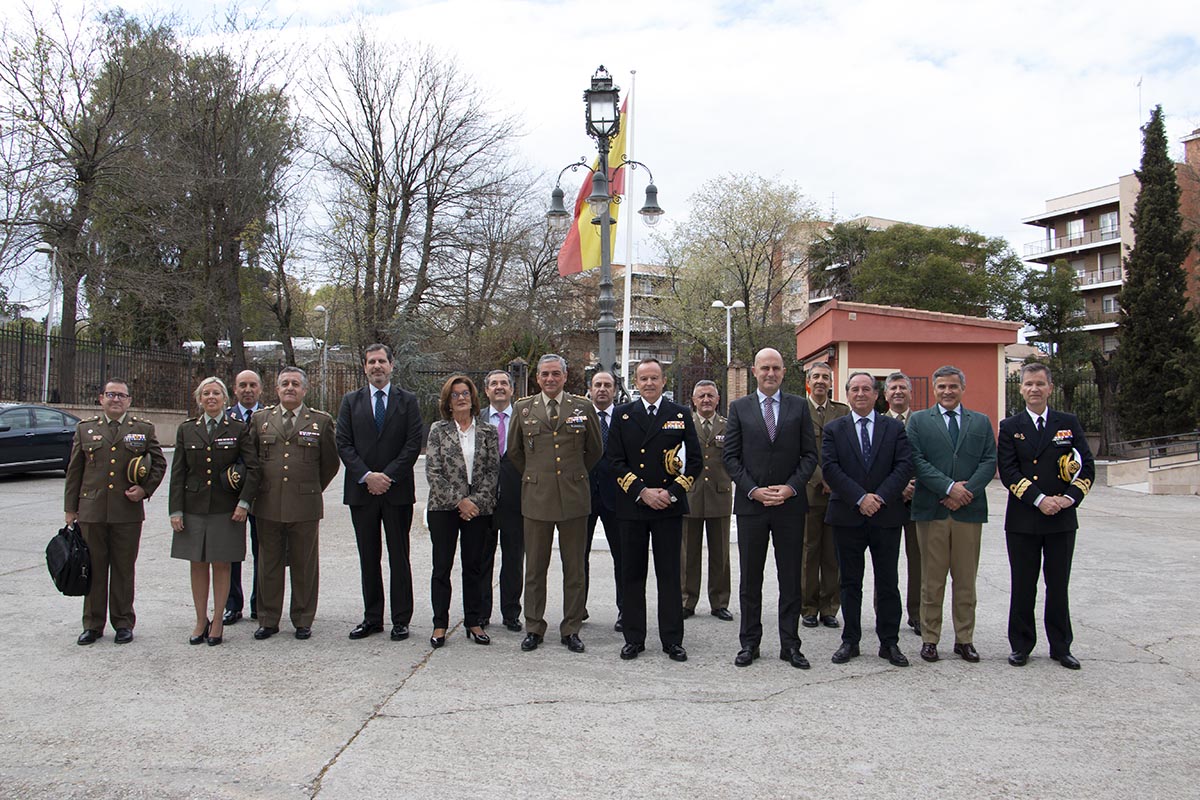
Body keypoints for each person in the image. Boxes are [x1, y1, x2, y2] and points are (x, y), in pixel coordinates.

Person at [723, 348, 818, 669]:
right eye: (765, 368)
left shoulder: (799, 407)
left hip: (789, 506)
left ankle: (790, 645)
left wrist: (791, 487)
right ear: (754, 371)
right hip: (753, 507)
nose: (770, 373)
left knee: (791, 577)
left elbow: (809, 456)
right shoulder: (739, 408)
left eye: (776, 368)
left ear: (783, 372)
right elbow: (730, 458)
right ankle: (750, 643)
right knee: (751, 578)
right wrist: (753, 490)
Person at [998, 363, 1095, 670]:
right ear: (1021, 389)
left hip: (1061, 519)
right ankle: (1021, 645)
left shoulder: (1068, 423)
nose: (1034, 389)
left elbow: (1086, 465)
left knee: (1058, 585)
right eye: (1028, 384)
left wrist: (1069, 498)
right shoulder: (1010, 426)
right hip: (1024, 519)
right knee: (1023, 584)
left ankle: (1061, 646)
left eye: (1040, 383)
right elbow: (1008, 471)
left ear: (1050, 388)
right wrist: (1039, 500)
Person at [506, 354, 603, 653]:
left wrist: (572, 476)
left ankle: (571, 628)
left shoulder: (583, 407)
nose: (550, 379)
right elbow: (515, 452)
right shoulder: (523, 409)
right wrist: (538, 477)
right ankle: (534, 627)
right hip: (537, 498)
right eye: (545, 374)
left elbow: (595, 450)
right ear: (537, 378)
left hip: (574, 498)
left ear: (565, 376)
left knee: (574, 568)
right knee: (535, 568)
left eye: (555, 374)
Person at [607, 358, 702, 662]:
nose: (649, 383)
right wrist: (642, 492)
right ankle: (634, 638)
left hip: (667, 507)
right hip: (634, 506)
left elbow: (695, 462)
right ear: (635, 383)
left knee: (669, 575)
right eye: (643, 378)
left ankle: (672, 639)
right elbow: (615, 461)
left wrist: (672, 493)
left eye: (654, 378)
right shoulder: (622, 415)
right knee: (633, 575)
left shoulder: (680, 414)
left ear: (664, 381)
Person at [906, 365, 996, 664]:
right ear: (934, 389)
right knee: (931, 580)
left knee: (966, 579)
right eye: (942, 387)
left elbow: (988, 460)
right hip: (932, 510)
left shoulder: (981, 422)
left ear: (962, 388)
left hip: (968, 511)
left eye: (953, 386)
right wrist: (947, 488)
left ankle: (964, 639)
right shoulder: (918, 421)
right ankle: (930, 638)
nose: (947, 391)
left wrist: (964, 491)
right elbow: (915, 459)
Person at [821, 372, 913, 667]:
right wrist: (861, 498)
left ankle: (890, 643)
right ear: (847, 394)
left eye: (866, 389)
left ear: (877, 394)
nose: (860, 393)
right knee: (849, 582)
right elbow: (831, 468)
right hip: (848, 514)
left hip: (885, 515)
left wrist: (879, 498)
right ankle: (850, 640)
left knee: (888, 581)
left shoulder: (893, 428)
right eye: (854, 389)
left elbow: (903, 466)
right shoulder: (834, 429)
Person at [65, 378, 166, 645]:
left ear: (129, 401)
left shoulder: (142, 429)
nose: (116, 399)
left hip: (127, 512)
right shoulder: (86, 430)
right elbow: (74, 472)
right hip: (92, 511)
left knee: (123, 569)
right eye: (111, 394)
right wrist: (70, 509)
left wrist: (145, 490)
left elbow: (158, 463)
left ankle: (123, 622)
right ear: (101, 399)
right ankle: (93, 624)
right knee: (94, 569)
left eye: (122, 395)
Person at [336, 344, 423, 642]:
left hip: (396, 492)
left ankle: (401, 619)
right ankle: (372, 618)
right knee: (368, 557)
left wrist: (387, 476)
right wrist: (366, 476)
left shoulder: (408, 401)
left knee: (399, 557)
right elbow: (343, 443)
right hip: (361, 492)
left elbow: (413, 444)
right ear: (364, 367)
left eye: (382, 361)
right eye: (371, 362)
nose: (377, 366)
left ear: (391, 365)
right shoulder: (350, 401)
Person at [248, 367, 339, 641]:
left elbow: (330, 463)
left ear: (304, 390)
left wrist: (310, 489)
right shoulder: (260, 419)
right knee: (268, 564)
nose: (290, 387)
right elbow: (252, 461)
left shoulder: (320, 422)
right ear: (276, 390)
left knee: (304, 564)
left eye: (295, 384)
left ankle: (302, 619)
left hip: (305, 505)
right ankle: (268, 619)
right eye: (284, 383)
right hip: (268, 502)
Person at [169, 377, 258, 646]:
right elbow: (177, 473)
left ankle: (218, 619)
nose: (211, 397)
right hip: (194, 508)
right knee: (197, 564)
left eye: (216, 393)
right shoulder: (187, 430)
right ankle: (200, 619)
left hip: (226, 509)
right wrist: (176, 510)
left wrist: (244, 503)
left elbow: (254, 469)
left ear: (224, 399)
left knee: (222, 565)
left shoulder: (238, 428)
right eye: (206, 393)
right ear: (199, 399)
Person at [424, 376, 499, 648]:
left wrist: (474, 502)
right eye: (455, 395)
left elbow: (493, 471)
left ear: (473, 397)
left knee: (475, 567)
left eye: (465, 393)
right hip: (444, 508)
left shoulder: (488, 431)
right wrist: (460, 502)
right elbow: (433, 472)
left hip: (478, 510)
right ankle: (440, 623)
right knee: (441, 567)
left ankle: (474, 621)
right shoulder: (438, 430)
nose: (461, 398)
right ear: (448, 401)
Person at [801, 361, 849, 629]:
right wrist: (821, 478)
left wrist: (835, 480)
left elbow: (848, 449)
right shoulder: (798, 410)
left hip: (837, 493)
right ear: (808, 381)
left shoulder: (842, 412)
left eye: (825, 377)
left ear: (831, 383)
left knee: (833, 552)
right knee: (809, 550)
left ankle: (830, 607)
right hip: (809, 492)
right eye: (816, 376)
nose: (820, 381)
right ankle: (807, 606)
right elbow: (797, 450)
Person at [681, 380, 734, 622]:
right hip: (690, 494)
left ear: (717, 399)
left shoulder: (728, 426)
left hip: (719, 495)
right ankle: (686, 600)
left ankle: (720, 602)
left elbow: (735, 458)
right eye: (701, 396)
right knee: (688, 553)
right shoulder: (684, 425)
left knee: (720, 553)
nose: (705, 400)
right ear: (693, 400)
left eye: (710, 396)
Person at [478, 369, 524, 632]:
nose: (499, 387)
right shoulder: (476, 419)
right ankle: (482, 613)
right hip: (483, 502)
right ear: (486, 390)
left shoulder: (524, 417)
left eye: (504, 383)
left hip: (515, 501)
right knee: (482, 558)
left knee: (514, 560)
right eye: (494, 384)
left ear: (512, 390)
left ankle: (511, 613)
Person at [224, 369, 265, 625]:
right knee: (231, 552)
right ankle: (232, 604)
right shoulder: (225, 418)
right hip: (230, 496)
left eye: (252, 385)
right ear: (235, 390)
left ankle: (259, 603)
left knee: (263, 552)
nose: (247, 390)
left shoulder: (267, 417)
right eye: (242, 385)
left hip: (261, 496)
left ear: (260, 389)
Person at [884, 372, 921, 635]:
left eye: (902, 388)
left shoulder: (922, 422)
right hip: (889, 502)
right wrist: (897, 487)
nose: (898, 392)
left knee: (919, 562)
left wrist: (915, 484)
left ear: (910, 393)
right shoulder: (876, 423)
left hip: (919, 502)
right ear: (885, 395)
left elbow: (929, 457)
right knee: (885, 562)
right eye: (893, 388)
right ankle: (884, 615)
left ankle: (918, 614)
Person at [585, 370, 622, 630]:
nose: (602, 389)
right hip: (583, 496)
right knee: (578, 556)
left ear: (615, 390)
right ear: (590, 388)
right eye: (597, 384)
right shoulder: (579, 416)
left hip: (617, 496)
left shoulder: (625, 417)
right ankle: (577, 609)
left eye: (607, 385)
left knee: (623, 557)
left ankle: (625, 610)